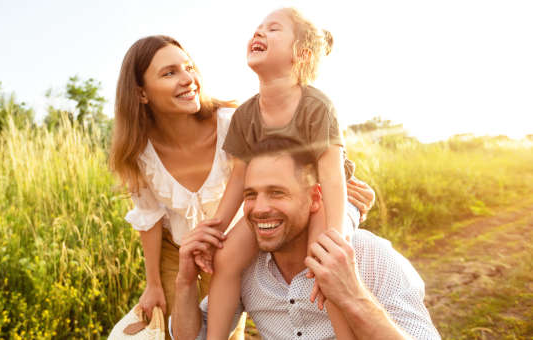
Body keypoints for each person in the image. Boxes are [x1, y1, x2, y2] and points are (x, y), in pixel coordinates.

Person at [108, 35, 376, 339]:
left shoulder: (231, 121)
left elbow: (291, 162)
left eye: (189, 67)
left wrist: (339, 185)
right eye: (170, 73)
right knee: (177, 328)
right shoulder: (137, 151)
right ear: (141, 94)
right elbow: (149, 218)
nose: (188, 79)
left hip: (233, 235)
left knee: (226, 317)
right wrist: (152, 283)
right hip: (178, 247)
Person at [171, 138, 440, 340]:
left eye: (277, 193)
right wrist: (185, 282)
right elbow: (196, 336)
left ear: (314, 198)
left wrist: (353, 295)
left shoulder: (372, 256)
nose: (259, 208)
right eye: (251, 195)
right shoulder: (245, 267)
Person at [200, 7, 358, 339]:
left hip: (316, 194)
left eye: (273, 29)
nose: (259, 33)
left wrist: (335, 235)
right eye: (257, 28)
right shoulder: (245, 115)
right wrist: (215, 228)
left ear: (301, 54)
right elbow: (240, 180)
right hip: (276, 197)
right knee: (227, 258)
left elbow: (330, 175)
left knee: (323, 259)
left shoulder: (317, 106)